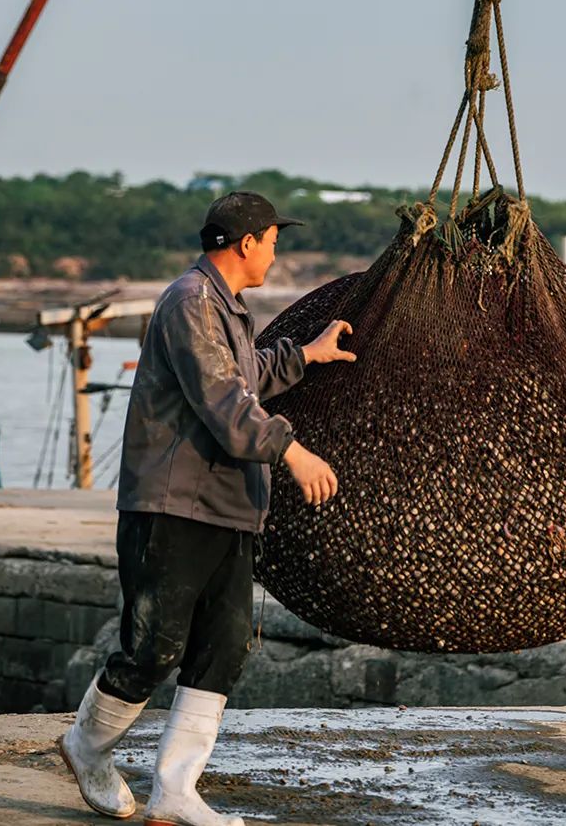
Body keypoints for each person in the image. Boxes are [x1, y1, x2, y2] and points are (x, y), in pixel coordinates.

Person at [60, 191, 356, 826]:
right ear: (246, 243)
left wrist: (308, 353)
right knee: (153, 649)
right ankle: (86, 748)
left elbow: (246, 374)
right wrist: (292, 451)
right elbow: (226, 402)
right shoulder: (190, 302)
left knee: (223, 646)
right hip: (172, 506)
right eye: (274, 241)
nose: (277, 253)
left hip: (226, 507)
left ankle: (175, 790)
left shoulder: (228, 308)